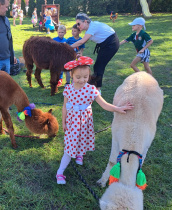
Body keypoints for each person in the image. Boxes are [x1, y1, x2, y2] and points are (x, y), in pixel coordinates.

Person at [55, 56, 134, 184]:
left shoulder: (91, 89)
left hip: (84, 122)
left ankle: (79, 154)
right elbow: (65, 107)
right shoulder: (68, 89)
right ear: (71, 74)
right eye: (78, 77)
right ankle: (60, 172)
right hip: (72, 123)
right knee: (69, 148)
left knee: (82, 139)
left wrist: (118, 108)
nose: (82, 80)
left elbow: (104, 104)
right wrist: (63, 122)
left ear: (89, 76)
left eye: (85, 77)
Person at [70, 13, 120, 92]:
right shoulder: (90, 27)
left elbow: (82, 41)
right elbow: (83, 41)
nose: (78, 26)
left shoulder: (92, 27)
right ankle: (95, 87)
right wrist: (79, 51)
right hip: (106, 44)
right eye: (77, 24)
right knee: (98, 66)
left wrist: (67, 47)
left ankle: (97, 90)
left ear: (85, 22)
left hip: (111, 44)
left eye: (79, 24)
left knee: (99, 66)